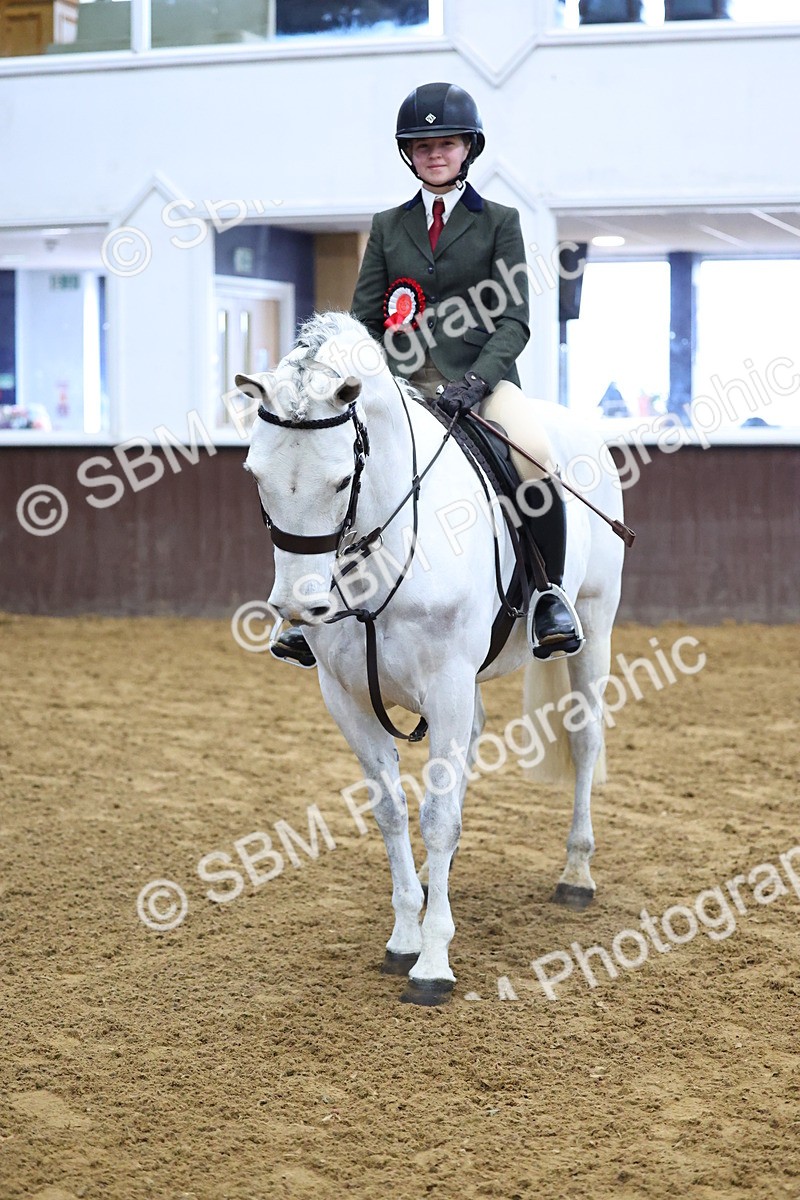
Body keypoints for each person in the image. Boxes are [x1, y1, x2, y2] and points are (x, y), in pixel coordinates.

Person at [271, 81, 578, 670]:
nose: (434, 153)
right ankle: (319, 600)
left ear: (468, 148)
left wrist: (480, 381)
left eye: (447, 142)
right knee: (339, 468)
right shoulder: (389, 226)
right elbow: (362, 320)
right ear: (408, 154)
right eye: (422, 144)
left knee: (536, 453)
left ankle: (547, 593)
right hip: (401, 386)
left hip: (481, 385)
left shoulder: (501, 223)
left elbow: (514, 320)